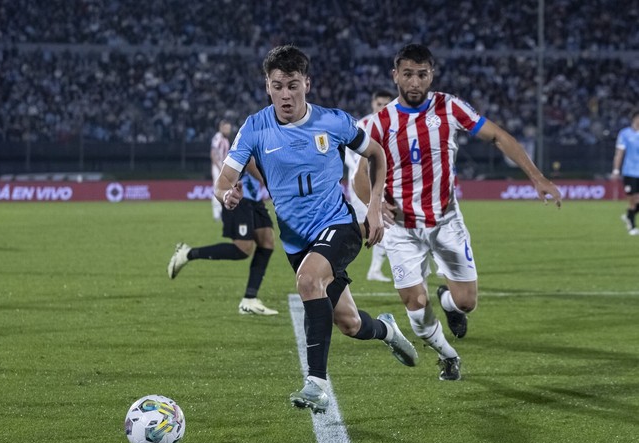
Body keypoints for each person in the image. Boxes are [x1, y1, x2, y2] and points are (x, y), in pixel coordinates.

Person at [214, 45, 418, 414]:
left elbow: (377, 155)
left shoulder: (333, 122)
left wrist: (373, 206)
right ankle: (388, 329)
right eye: (278, 86)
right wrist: (227, 193)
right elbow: (225, 178)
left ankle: (316, 384)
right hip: (297, 241)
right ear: (267, 86)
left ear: (307, 83)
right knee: (351, 324)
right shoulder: (255, 127)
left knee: (309, 282)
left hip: (338, 225)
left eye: (293, 85)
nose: (286, 94)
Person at [355, 44, 562, 380]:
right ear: (395, 75)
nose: (414, 82)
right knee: (415, 304)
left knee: (467, 302)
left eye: (422, 74)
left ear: (431, 75)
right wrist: (377, 205)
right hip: (403, 229)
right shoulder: (380, 123)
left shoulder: (449, 107)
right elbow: (359, 178)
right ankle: (448, 356)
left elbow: (497, 136)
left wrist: (537, 177)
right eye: (407, 74)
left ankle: (449, 304)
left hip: (446, 221)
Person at [168, 159, 279, 316]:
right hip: (238, 196)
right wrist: (271, 182)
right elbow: (249, 161)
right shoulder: (251, 134)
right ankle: (187, 253)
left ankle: (249, 300)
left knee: (267, 241)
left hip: (254, 198)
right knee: (243, 249)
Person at [344, 89, 395, 282]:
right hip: (361, 183)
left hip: (380, 183)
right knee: (367, 226)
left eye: (386, 104)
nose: (382, 108)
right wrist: (361, 170)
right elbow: (349, 155)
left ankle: (374, 269)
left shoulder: (393, 124)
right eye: (379, 104)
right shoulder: (362, 125)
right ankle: (331, 256)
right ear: (373, 103)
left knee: (380, 224)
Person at [611, 109, 639, 236]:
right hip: (630, 172)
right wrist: (616, 170)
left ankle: (628, 216)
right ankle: (631, 226)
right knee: (633, 200)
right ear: (634, 119)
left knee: (636, 200)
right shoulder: (625, 134)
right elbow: (619, 153)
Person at [210, 119, 232, 222]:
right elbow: (213, 154)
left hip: (224, 167)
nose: (228, 130)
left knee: (224, 189)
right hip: (218, 167)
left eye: (229, 128)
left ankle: (223, 212)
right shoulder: (217, 138)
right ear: (221, 128)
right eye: (226, 128)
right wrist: (219, 168)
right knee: (217, 188)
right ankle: (216, 213)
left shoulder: (226, 140)